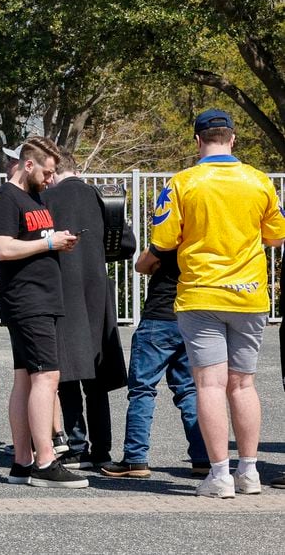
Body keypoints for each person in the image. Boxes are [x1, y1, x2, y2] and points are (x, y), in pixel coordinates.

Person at [148, 108, 285, 497]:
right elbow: (277, 236)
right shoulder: (258, 181)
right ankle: (250, 471)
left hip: (201, 293)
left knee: (209, 384)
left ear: (197, 141)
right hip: (249, 294)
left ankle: (220, 475)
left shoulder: (183, 183)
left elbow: (164, 241)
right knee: (243, 385)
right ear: (233, 138)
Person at [0, 135, 86, 488]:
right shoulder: (5, 199)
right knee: (47, 377)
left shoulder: (33, 197)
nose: (51, 179)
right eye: (46, 172)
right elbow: (1, 248)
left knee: (27, 377)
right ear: (28, 165)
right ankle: (45, 461)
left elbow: (28, 242)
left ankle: (22, 462)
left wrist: (55, 241)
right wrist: (49, 242)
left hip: (40, 298)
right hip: (29, 301)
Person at [44, 150, 130, 468]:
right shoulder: (102, 196)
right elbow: (126, 244)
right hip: (97, 293)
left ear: (52, 171)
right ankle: (102, 449)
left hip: (62, 292)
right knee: (96, 379)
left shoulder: (47, 198)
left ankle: (76, 446)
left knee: (67, 374)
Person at [101, 239, 208, 479]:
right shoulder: (203, 236)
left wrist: (157, 263)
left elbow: (141, 265)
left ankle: (135, 459)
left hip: (158, 318)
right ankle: (203, 458)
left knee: (142, 390)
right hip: (190, 317)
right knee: (189, 390)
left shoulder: (169, 237)